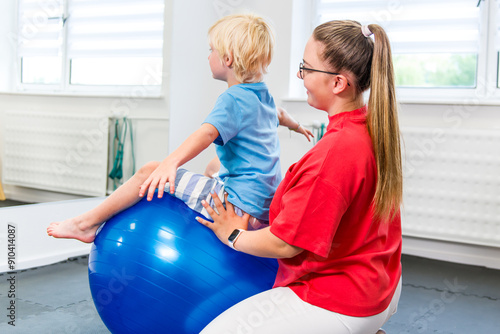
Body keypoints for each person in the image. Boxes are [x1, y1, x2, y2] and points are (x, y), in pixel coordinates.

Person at [196, 20, 403, 334]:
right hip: (381, 284)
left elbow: (284, 245)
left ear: (338, 83)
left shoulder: (337, 152)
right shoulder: (370, 126)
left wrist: (233, 235)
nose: (299, 75)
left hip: (341, 298)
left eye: (306, 68)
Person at [47, 13, 312, 242]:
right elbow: (279, 114)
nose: (208, 56)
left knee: (149, 170)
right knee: (212, 167)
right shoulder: (262, 94)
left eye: (211, 50)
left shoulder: (232, 99)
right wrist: (297, 126)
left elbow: (206, 133)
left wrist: (168, 164)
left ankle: (85, 224)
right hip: (263, 207)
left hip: (238, 206)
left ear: (227, 59)